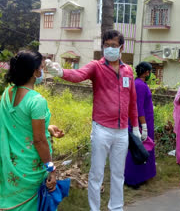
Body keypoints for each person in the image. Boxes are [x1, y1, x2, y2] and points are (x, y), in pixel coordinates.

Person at [45, 30, 140, 211]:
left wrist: (135, 126)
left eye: (113, 45)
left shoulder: (127, 70)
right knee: (96, 173)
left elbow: (132, 101)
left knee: (119, 174)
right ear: (102, 46)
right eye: (106, 45)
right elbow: (78, 74)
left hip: (121, 131)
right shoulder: (96, 66)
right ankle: (94, 208)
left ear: (121, 47)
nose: (110, 48)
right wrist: (61, 72)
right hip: (102, 128)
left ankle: (116, 207)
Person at [0, 51, 64, 210]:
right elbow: (39, 140)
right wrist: (51, 169)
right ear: (35, 72)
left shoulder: (7, 93)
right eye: (41, 67)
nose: (42, 72)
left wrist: (47, 127)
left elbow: (19, 122)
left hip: (10, 166)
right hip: (31, 168)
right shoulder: (37, 101)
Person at [124, 62, 156, 189]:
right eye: (150, 72)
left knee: (144, 148)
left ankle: (143, 176)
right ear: (147, 72)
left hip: (145, 121)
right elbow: (138, 108)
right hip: (141, 122)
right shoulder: (140, 85)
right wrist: (143, 126)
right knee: (137, 149)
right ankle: (133, 179)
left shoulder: (140, 84)